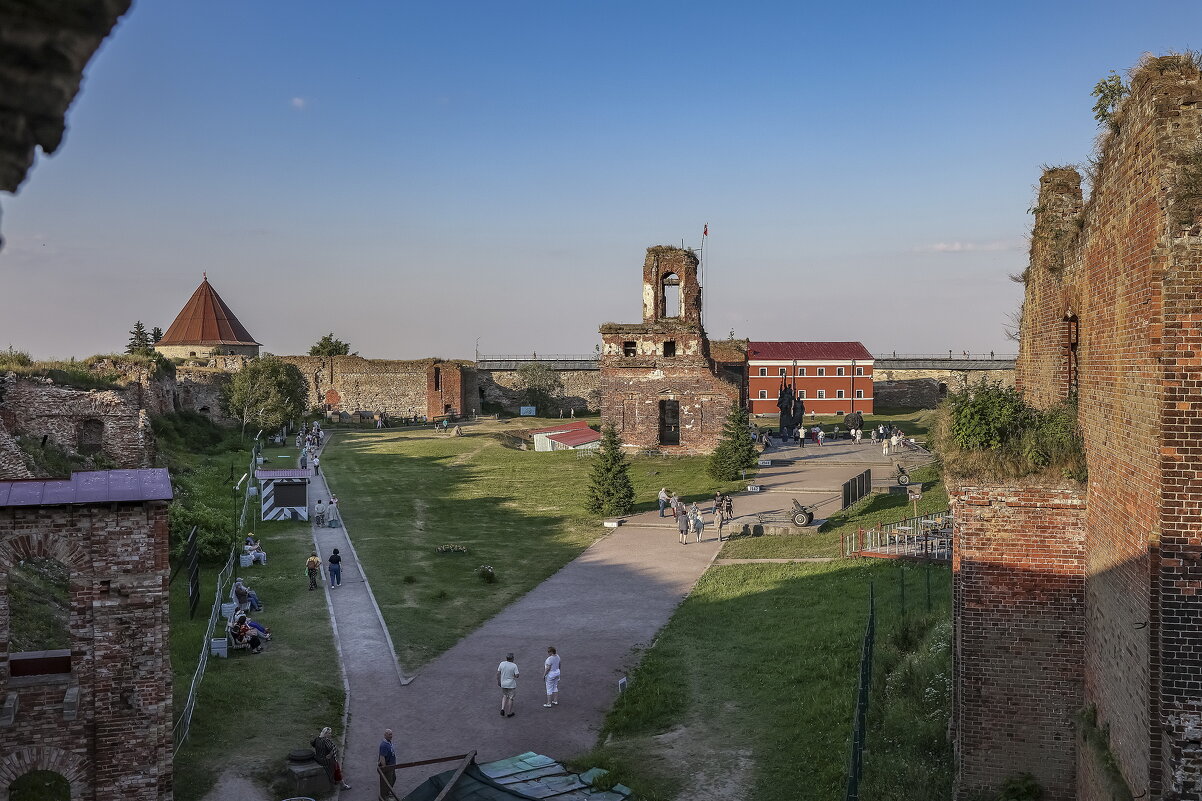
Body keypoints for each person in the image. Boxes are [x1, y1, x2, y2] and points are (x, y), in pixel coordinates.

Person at [497, 653, 519, 717]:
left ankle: (502, 709)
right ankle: (509, 713)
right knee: (510, 698)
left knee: (504, 696)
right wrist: (513, 675)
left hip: (503, 683)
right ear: (512, 659)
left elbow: (498, 673)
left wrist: (499, 681)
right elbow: (517, 675)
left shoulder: (502, 663)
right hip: (511, 684)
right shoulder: (514, 666)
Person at [378, 728, 397, 799]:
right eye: (389, 734)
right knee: (387, 782)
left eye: (391, 734)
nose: (391, 736)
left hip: (392, 766)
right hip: (388, 767)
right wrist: (385, 767)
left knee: (393, 779)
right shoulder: (384, 745)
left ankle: (387, 792)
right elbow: (382, 757)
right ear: (385, 735)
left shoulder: (389, 742)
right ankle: (385, 796)